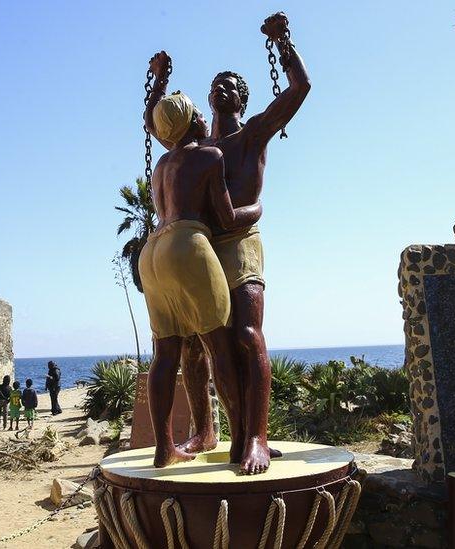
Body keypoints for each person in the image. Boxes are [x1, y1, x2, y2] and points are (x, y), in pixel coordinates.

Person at [145, 12, 310, 474]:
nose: (222, 88)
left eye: (232, 85)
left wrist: (283, 41)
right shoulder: (192, 148)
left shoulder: (252, 133)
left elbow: (298, 90)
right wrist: (158, 83)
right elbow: (155, 122)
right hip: (200, 247)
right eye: (216, 84)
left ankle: (255, 437)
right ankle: (205, 428)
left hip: (238, 245)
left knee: (245, 334)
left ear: (243, 97)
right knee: (195, 346)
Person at [138, 90, 261, 469]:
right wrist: (255, 210)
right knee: (219, 346)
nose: (206, 118)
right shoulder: (210, 155)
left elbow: (154, 121)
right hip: (187, 245)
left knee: (165, 354)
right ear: (193, 120)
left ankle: (165, 449)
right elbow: (225, 218)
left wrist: (157, 87)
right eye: (198, 114)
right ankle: (243, 440)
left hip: (152, 252)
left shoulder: (161, 164)